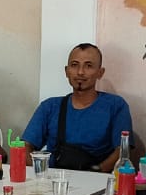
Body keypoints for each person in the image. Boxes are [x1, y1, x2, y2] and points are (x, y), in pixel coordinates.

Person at [19, 44, 135, 172]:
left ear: (100, 73)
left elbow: (123, 151)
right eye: (74, 65)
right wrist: (39, 174)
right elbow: (25, 146)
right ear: (66, 71)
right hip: (54, 178)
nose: (80, 72)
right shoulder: (50, 107)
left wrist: (97, 172)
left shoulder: (115, 105)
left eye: (88, 66)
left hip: (97, 178)